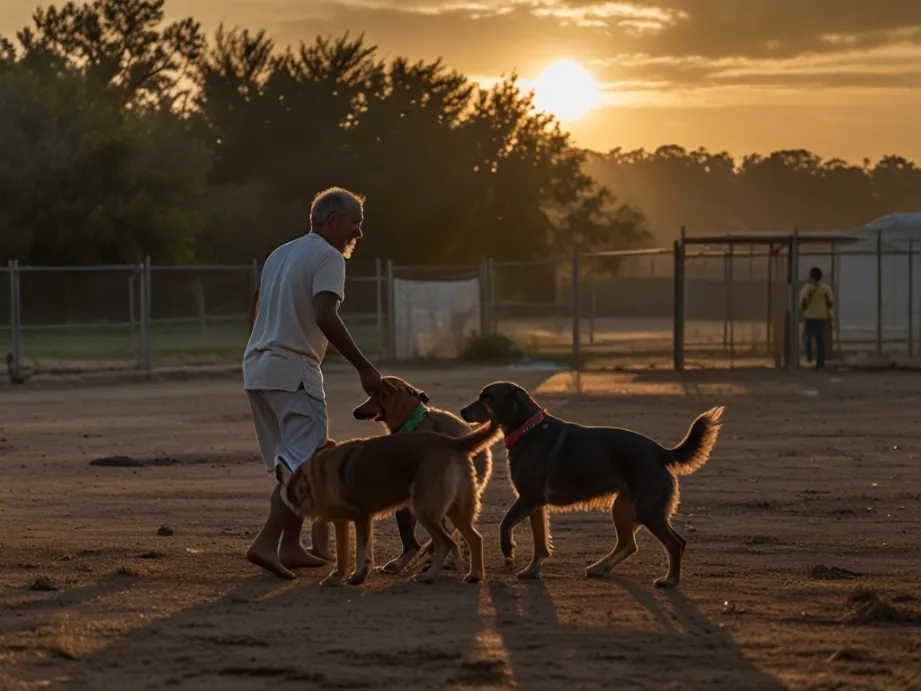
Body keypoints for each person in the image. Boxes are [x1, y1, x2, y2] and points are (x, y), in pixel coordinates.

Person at [242, 187, 384, 579]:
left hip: (258, 368)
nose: (358, 233)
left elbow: (256, 305)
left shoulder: (280, 253)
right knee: (304, 465)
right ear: (332, 220)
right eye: (354, 223)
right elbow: (325, 314)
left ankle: (289, 545)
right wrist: (364, 368)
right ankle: (266, 544)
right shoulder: (328, 256)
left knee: (289, 461)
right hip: (293, 371)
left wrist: (263, 345)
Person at [799, 266, 835, 370]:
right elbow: (831, 302)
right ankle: (820, 362)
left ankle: (809, 356)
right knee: (820, 341)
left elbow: (802, 303)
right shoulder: (826, 288)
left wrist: (803, 311)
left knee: (807, 338)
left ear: (811, 276)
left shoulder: (806, 288)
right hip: (821, 317)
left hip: (809, 317)